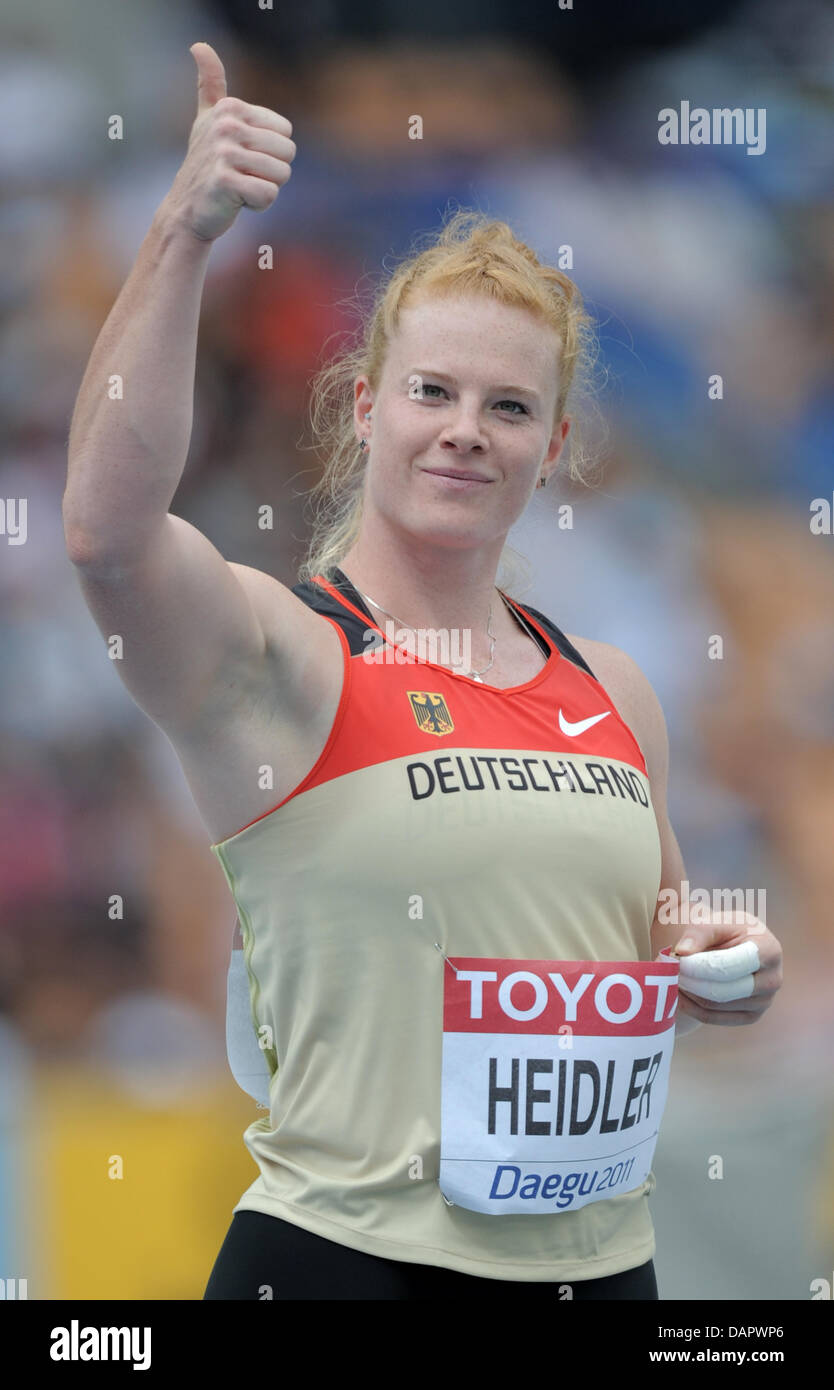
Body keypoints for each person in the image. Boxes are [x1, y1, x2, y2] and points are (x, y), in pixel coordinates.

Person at [63, 42, 783, 1301]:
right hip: (351, 1267)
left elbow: (660, 937)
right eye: (432, 391)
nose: (466, 428)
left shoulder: (613, 687)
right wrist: (185, 231)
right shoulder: (282, 656)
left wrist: (726, 957)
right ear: (363, 409)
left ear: (554, 446)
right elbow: (108, 535)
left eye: (509, 408)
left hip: (603, 1272)